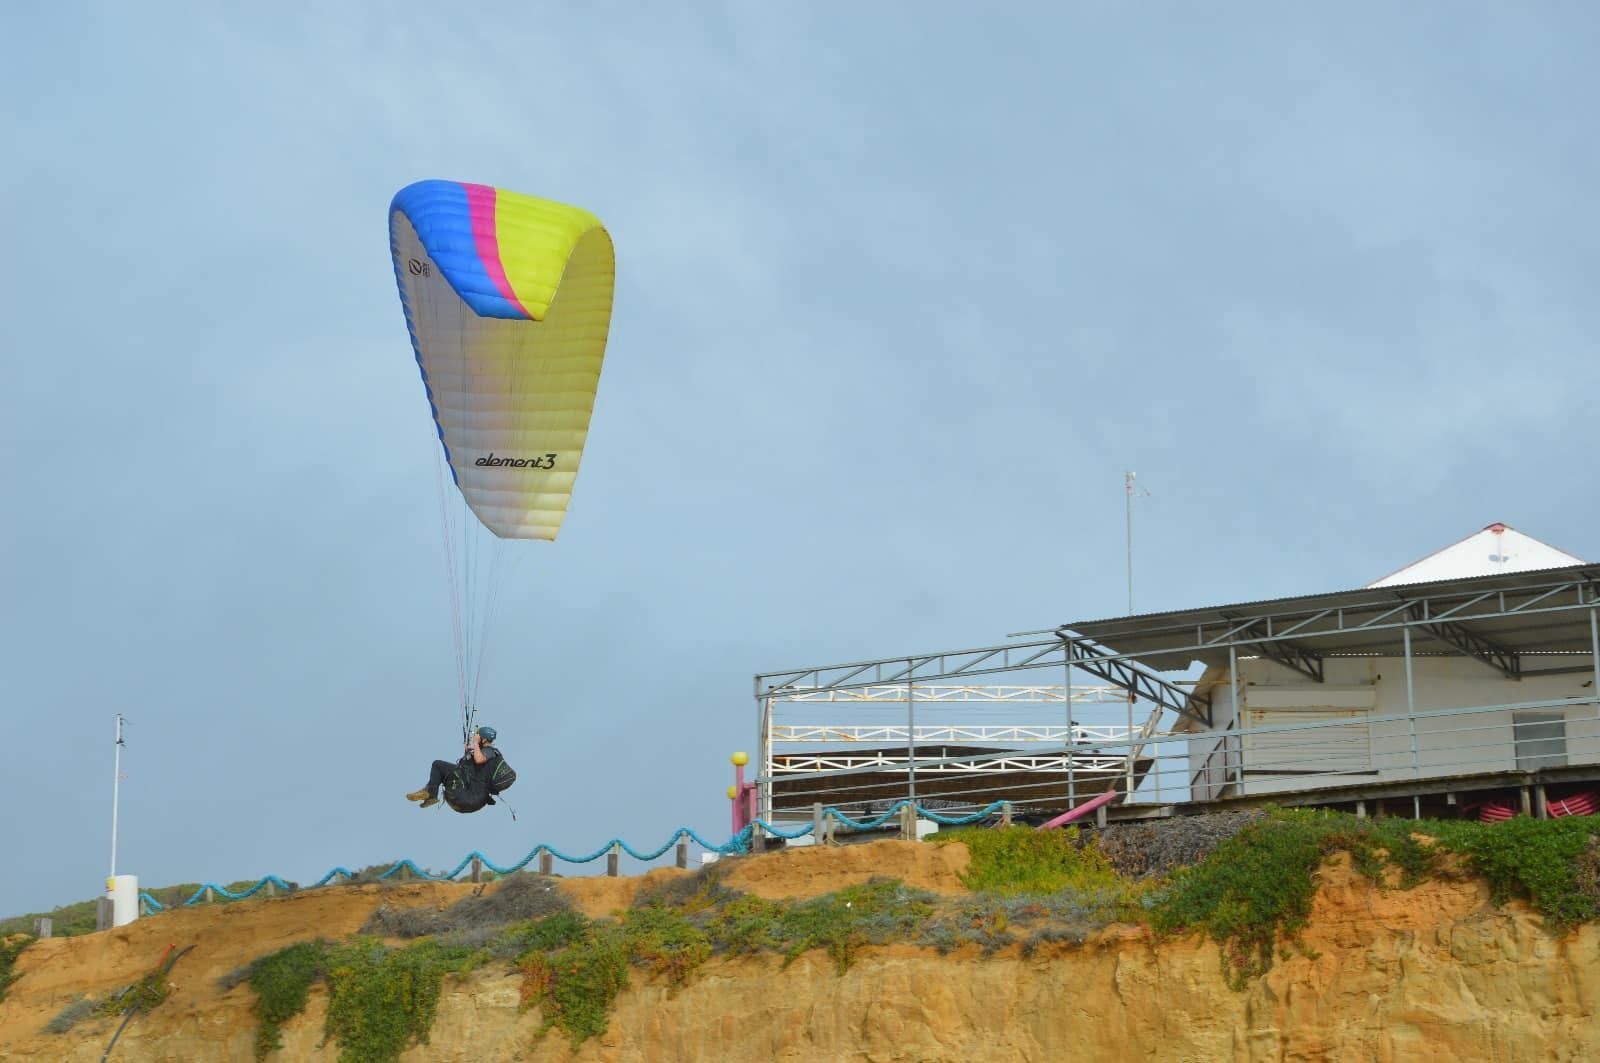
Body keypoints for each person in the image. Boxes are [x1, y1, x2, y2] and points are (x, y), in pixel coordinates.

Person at [407, 726, 504, 813]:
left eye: (478, 736)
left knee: (438, 765)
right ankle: (429, 793)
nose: (476, 738)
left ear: (484, 739)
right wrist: (468, 754)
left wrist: (475, 744)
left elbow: (479, 760)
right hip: (472, 798)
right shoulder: (485, 752)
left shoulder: (490, 751)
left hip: (470, 796)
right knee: (443, 769)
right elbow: (476, 767)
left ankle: (431, 794)